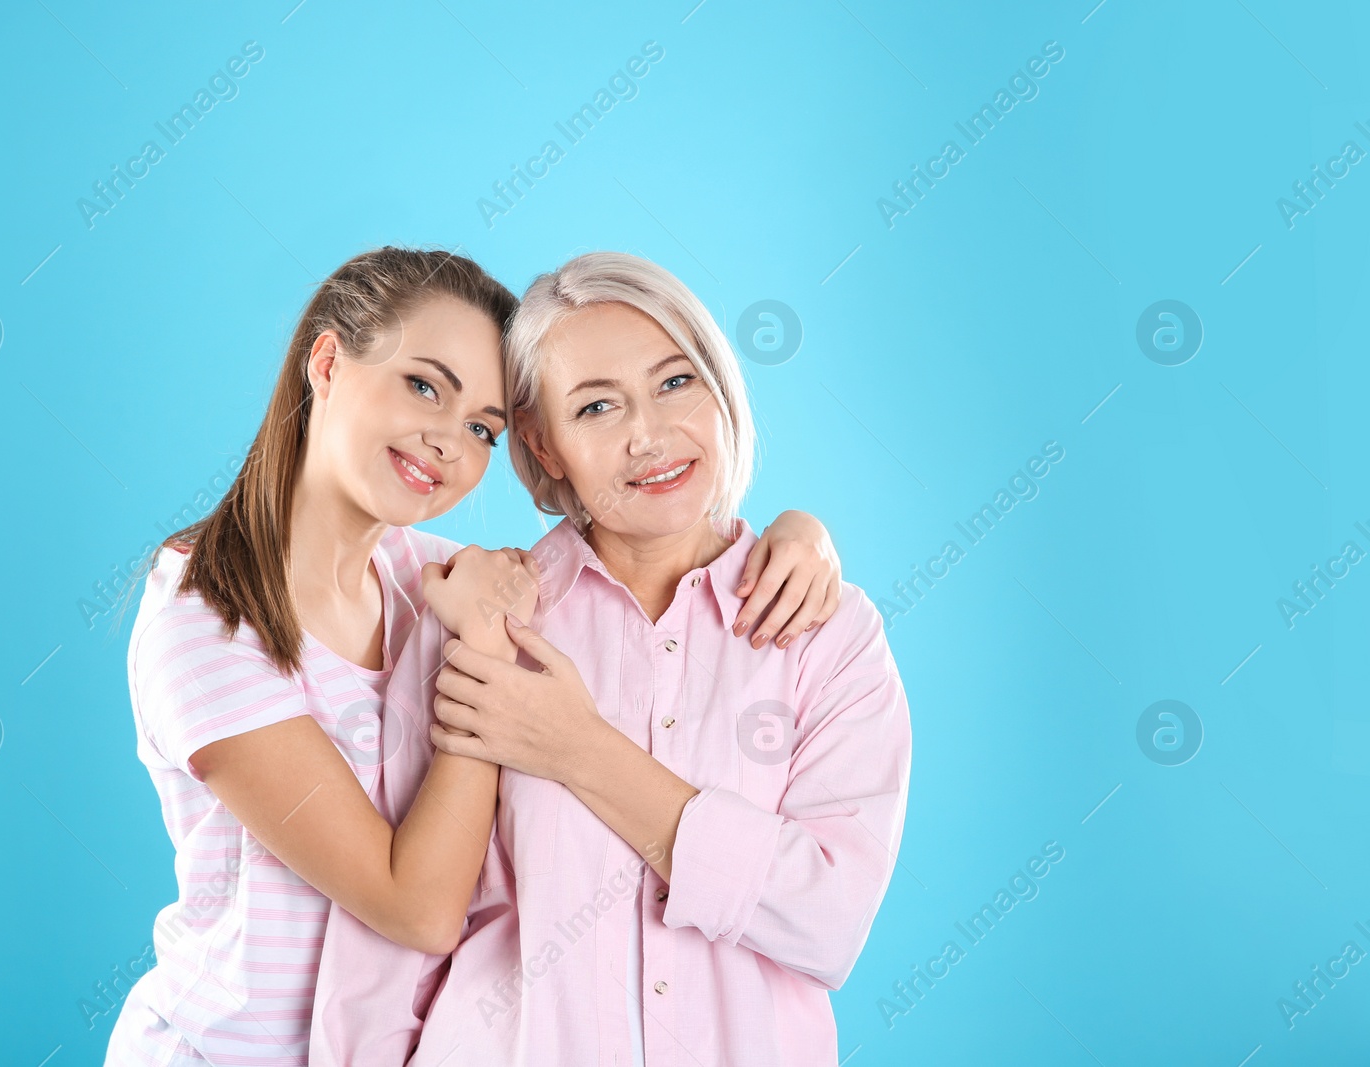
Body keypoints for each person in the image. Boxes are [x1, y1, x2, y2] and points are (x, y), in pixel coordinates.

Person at [106, 246, 848, 1065]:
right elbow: (418, 907)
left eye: (482, 429)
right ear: (327, 361)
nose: (448, 444)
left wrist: (797, 537)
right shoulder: (205, 619)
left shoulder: (418, 575)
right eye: (423, 385)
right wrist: (486, 652)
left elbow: (642, 537)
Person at [308, 252, 911, 1066]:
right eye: (596, 407)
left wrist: (578, 748)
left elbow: (828, 918)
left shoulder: (826, 631)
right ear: (544, 445)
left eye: (675, 383)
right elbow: (388, 947)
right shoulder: (477, 616)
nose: (651, 436)